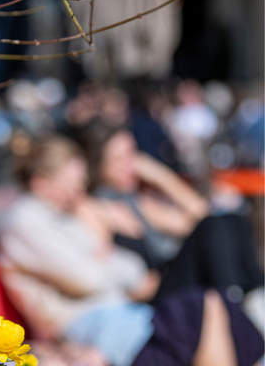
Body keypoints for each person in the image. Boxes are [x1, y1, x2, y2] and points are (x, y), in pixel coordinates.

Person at [0, 136, 264, 366]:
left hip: (121, 315)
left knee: (220, 303)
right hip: (90, 325)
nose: (78, 190)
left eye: (80, 182)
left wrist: (105, 260)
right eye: (70, 182)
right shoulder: (26, 221)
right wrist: (106, 259)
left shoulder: (65, 217)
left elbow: (130, 269)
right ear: (40, 181)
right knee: (199, 305)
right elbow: (87, 279)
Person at [78, 123, 264, 297]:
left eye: (132, 154)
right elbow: (106, 268)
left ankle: (252, 293)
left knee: (231, 220)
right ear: (98, 165)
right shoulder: (94, 207)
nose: (132, 165)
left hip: (173, 278)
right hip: (155, 291)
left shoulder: (138, 201)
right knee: (214, 225)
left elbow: (200, 214)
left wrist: (160, 176)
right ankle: (234, 297)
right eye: (120, 159)